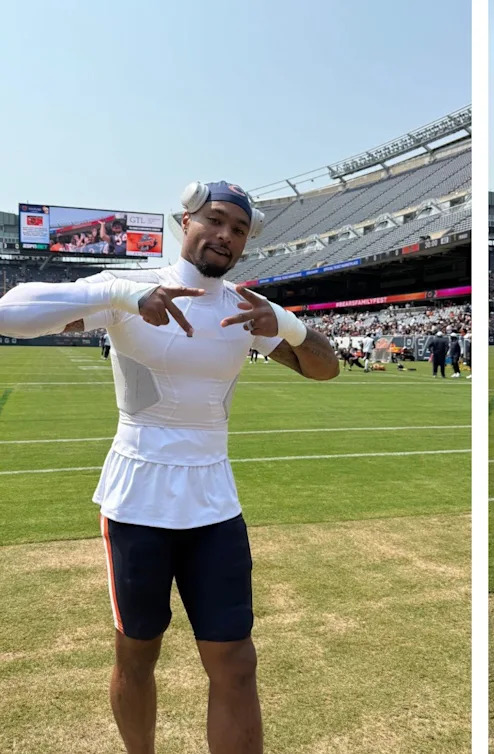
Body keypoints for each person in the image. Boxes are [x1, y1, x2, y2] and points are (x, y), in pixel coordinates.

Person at [0, 180, 340, 754]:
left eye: (239, 229)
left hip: (215, 503)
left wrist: (285, 321)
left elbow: (325, 368)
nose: (226, 235)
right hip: (137, 499)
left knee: (235, 660)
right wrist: (126, 299)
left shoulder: (244, 311)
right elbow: (10, 313)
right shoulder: (128, 290)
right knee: (137, 653)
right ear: (186, 222)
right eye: (216, 220)